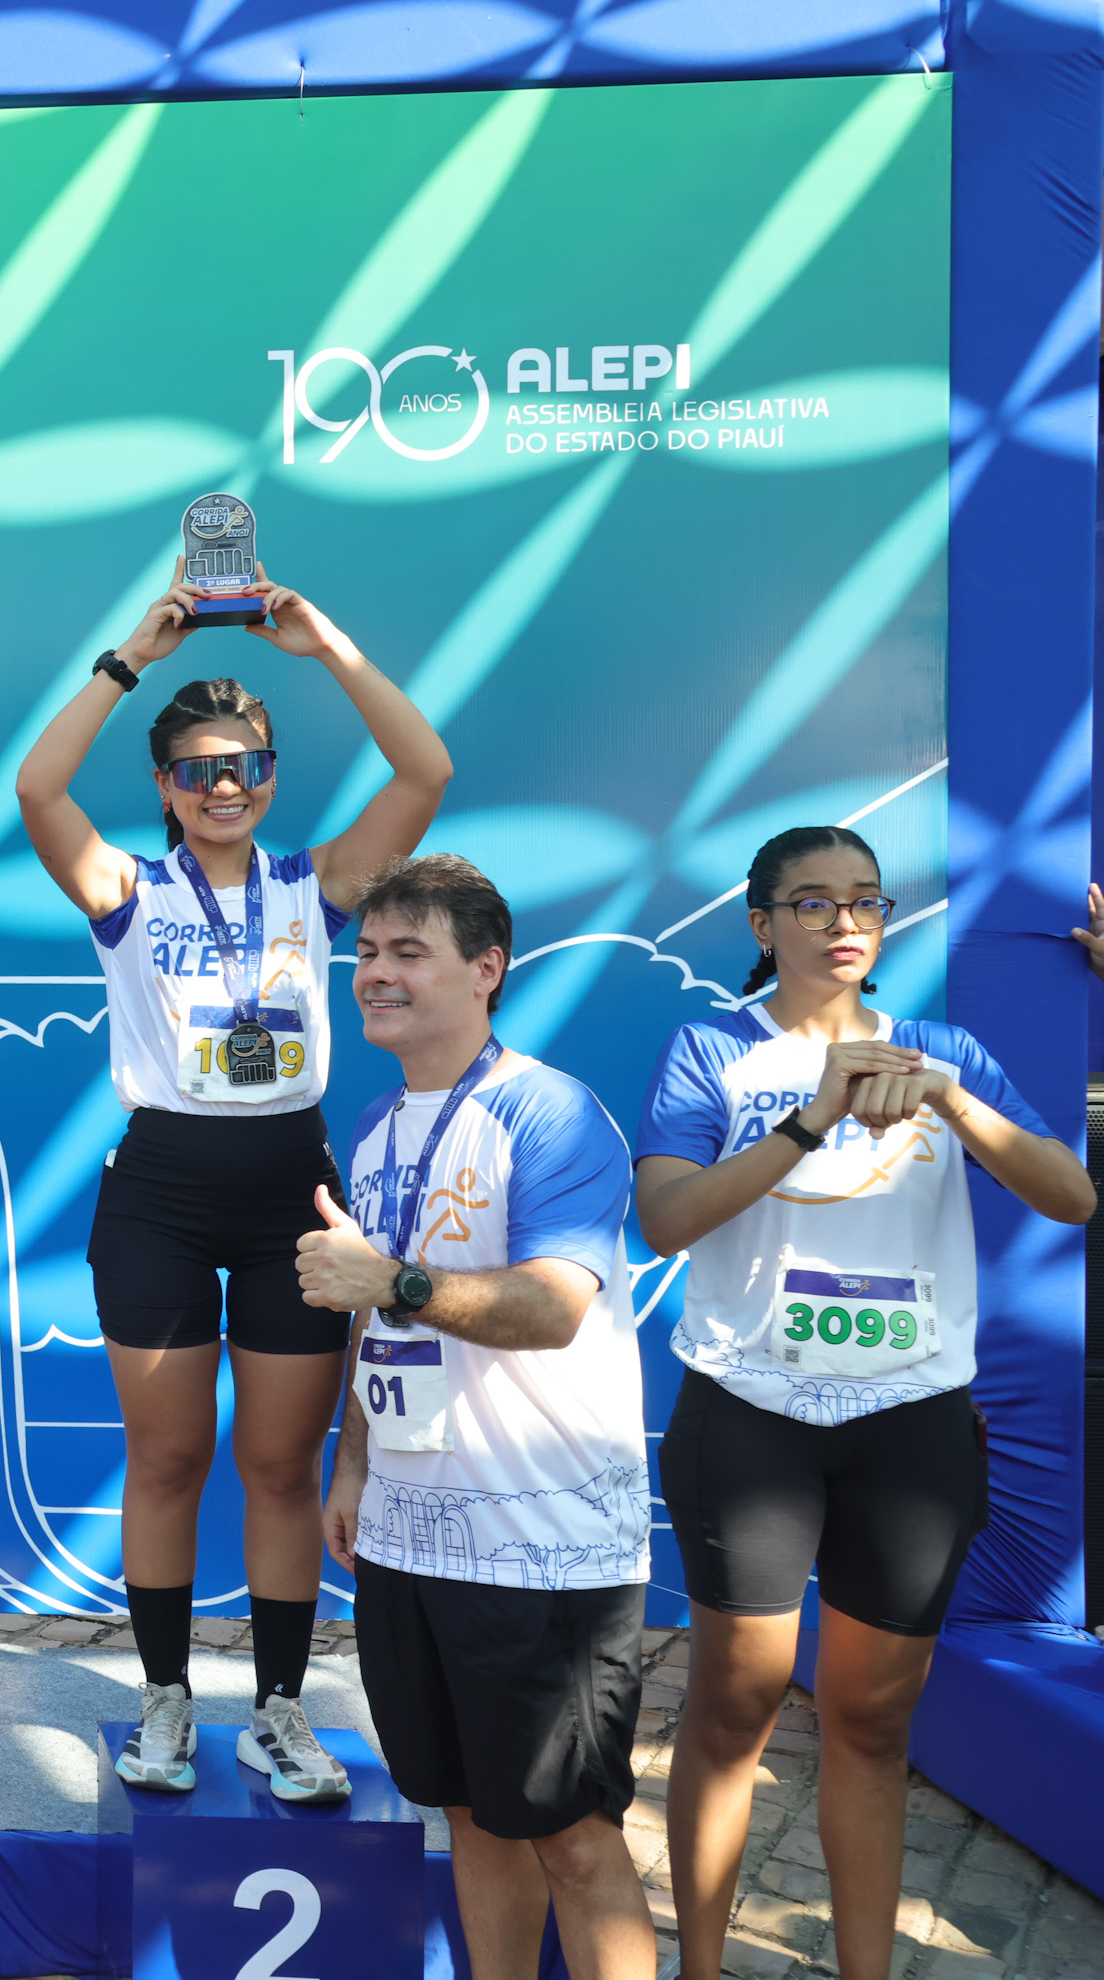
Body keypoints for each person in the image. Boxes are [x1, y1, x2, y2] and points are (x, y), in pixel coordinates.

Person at [12, 562, 451, 1800]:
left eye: (244, 765)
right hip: (159, 1189)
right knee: (166, 1461)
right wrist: (129, 659)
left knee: (278, 1465)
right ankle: (163, 1697)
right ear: (165, 785)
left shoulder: (319, 883)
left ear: (268, 775)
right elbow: (38, 789)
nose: (222, 786)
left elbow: (425, 773)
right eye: (197, 769)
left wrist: (329, 647)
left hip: (290, 1196)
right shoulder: (125, 889)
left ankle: (276, 1709)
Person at [637, 827, 1093, 1980]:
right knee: (733, 1709)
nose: (844, 922)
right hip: (751, 1413)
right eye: (812, 901)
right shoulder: (712, 1049)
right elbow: (667, 1218)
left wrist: (950, 1099)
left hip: (909, 1425)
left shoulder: (945, 1050)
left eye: (866, 901)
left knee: (875, 1723)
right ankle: (700, 1968)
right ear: (762, 922)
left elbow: (1072, 1195)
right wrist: (811, 1115)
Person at [302, 856, 655, 1980]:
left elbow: (551, 1307)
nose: (377, 974)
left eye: (409, 952)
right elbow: (375, 1319)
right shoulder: (374, 1126)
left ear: (486, 968)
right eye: (367, 952)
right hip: (411, 1532)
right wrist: (353, 1461)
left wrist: (394, 1280)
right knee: (466, 1812)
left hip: (541, 1545)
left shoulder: (550, 1112)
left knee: (573, 1835)